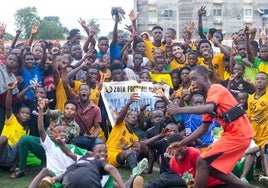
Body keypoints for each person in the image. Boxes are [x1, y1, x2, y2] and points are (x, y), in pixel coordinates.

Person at [166, 65, 255, 188]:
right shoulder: (209, 99)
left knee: (202, 161)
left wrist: (179, 109)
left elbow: (208, 108)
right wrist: (182, 143)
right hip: (231, 134)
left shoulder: (215, 88)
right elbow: (204, 127)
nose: (192, 83)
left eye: (194, 79)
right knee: (211, 169)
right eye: (191, 80)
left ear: (204, 77)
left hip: (239, 134)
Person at [106, 93, 148, 175]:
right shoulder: (119, 125)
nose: (133, 116)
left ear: (137, 122)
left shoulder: (135, 137)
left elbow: (142, 126)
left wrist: (142, 111)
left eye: (136, 116)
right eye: (131, 115)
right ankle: (135, 170)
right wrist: (128, 103)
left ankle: (135, 168)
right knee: (129, 152)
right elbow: (119, 118)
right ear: (126, 118)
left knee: (136, 150)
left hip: (119, 157)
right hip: (108, 154)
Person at [144, 124, 187, 188]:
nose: (172, 133)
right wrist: (160, 135)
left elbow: (199, 144)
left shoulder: (183, 143)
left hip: (180, 173)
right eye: (169, 131)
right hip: (166, 174)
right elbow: (147, 143)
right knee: (153, 184)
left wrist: (190, 138)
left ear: (179, 132)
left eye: (175, 131)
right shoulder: (163, 142)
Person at [0, 82, 30, 171]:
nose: (25, 114)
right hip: (2, 151)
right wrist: (10, 90)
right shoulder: (12, 120)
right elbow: (8, 106)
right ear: (18, 114)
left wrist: (14, 164)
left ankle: (13, 166)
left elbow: (20, 151)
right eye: (23, 113)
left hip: (10, 158)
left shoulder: (27, 130)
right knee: (3, 139)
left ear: (29, 117)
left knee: (24, 140)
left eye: (27, 113)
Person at [247, 72, 268, 186]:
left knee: (265, 150)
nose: (260, 80)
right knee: (254, 152)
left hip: (266, 132)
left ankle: (266, 176)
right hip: (255, 132)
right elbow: (249, 117)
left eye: (263, 79)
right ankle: (250, 174)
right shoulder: (250, 98)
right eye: (258, 79)